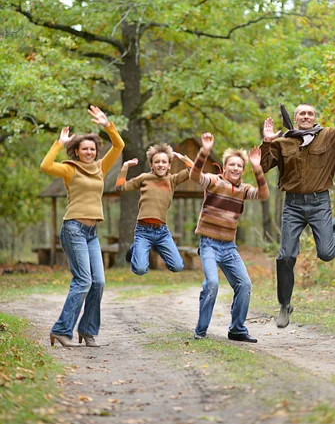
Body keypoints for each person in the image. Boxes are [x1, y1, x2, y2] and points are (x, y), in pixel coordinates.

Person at [260, 71, 335, 329]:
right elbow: (262, 166)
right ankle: (284, 306)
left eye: (310, 113)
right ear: (295, 119)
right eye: (301, 114)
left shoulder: (330, 137)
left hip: (319, 203)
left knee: (327, 253)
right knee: (285, 256)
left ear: (315, 118)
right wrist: (266, 142)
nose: (306, 117)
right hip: (292, 206)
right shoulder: (284, 142)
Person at [40, 106, 124, 347]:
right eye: (84, 148)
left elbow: (118, 147)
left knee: (99, 282)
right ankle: (61, 330)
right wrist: (58, 143)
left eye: (92, 149)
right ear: (76, 151)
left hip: (91, 233)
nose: (89, 152)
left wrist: (107, 125)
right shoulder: (69, 169)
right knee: (83, 281)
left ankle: (87, 330)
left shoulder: (100, 167)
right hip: (73, 229)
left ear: (97, 151)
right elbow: (46, 166)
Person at [190, 133, 269, 343]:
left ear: (243, 170)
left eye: (239, 166)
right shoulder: (214, 181)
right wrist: (204, 151)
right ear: (224, 167)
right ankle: (201, 330)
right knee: (212, 284)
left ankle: (236, 329)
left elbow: (263, 195)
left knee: (244, 284)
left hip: (229, 247)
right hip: (208, 244)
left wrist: (256, 166)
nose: (235, 168)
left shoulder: (243, 190)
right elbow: (194, 176)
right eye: (232, 165)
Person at [116, 143, 193, 275]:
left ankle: (155, 246)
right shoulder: (144, 178)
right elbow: (120, 187)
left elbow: (193, 170)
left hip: (162, 232)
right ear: (151, 165)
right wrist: (125, 167)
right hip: (143, 231)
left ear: (169, 165)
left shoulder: (172, 180)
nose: (160, 165)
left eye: (164, 162)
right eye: (156, 162)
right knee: (140, 269)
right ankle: (135, 249)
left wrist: (181, 157)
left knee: (178, 266)